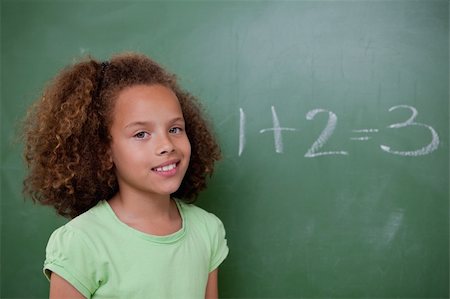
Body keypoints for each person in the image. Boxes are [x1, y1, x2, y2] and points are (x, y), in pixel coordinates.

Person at [22, 52, 229, 299]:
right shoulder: (81, 242)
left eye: (175, 129)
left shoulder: (207, 230)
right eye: (141, 134)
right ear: (104, 151)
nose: (167, 145)